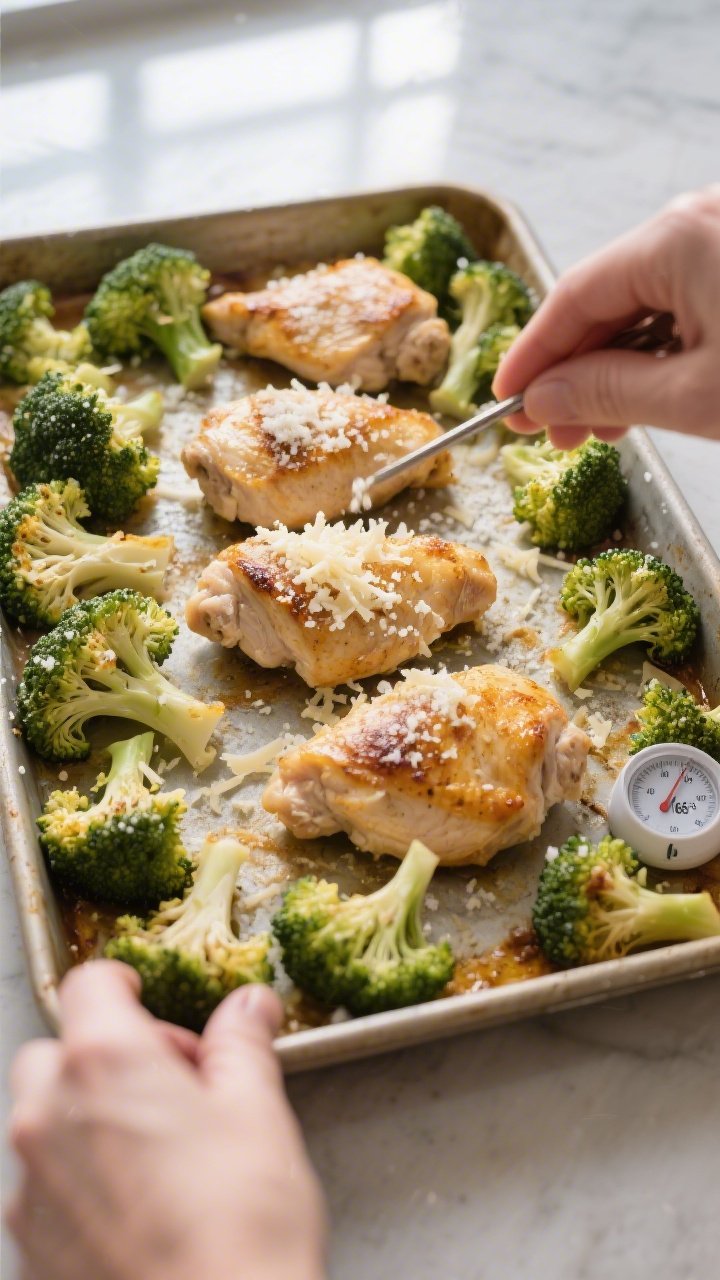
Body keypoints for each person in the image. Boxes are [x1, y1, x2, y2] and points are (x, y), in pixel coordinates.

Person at [6, 186, 720, 1280]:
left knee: (407, 677)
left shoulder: (462, 631)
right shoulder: (415, 592)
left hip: (421, 673)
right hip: (348, 610)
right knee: (403, 654)